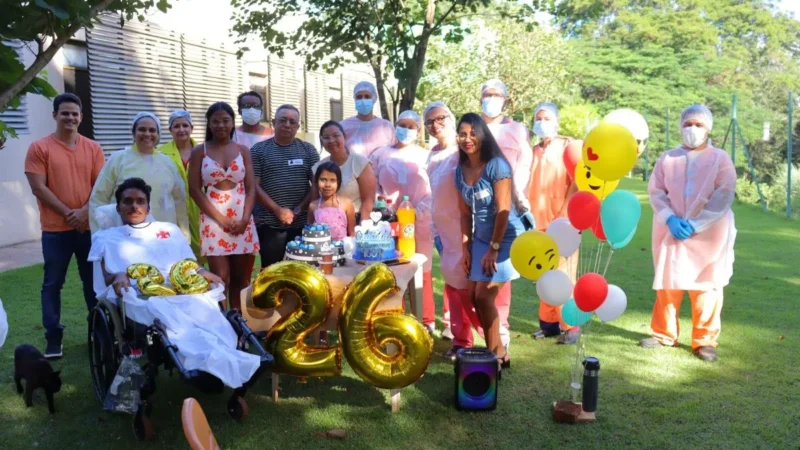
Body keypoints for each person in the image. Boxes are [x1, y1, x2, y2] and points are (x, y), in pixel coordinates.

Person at [88, 178, 262, 389]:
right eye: (128, 201)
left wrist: (203, 271)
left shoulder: (168, 230)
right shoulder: (106, 237)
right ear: (118, 207)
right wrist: (117, 276)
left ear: (148, 206)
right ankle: (202, 359)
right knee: (167, 315)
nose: (134, 206)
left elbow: (188, 262)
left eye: (140, 201)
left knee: (206, 310)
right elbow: (106, 276)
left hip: (180, 289)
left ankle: (217, 359)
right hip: (139, 294)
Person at [641, 104, 736, 362]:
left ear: (708, 129)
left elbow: (723, 195)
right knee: (668, 283)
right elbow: (657, 192)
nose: (692, 129)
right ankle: (663, 334)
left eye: (699, 125)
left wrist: (697, 224)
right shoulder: (667, 158)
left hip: (710, 234)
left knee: (706, 285)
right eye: (688, 124)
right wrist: (669, 218)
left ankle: (705, 341)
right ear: (681, 127)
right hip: (672, 230)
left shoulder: (720, 159)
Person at [24, 93, 106, 358]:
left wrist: (83, 213)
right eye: (65, 113)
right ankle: (53, 337)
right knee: (52, 284)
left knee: (92, 284)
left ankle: (98, 333)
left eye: (75, 113)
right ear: (55, 115)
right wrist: (69, 213)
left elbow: (100, 187)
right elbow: (38, 187)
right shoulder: (40, 148)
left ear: (81, 117)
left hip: (88, 229)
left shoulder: (93, 148)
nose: (70, 117)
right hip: (55, 231)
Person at [456, 113, 526, 369]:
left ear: (483, 134)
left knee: (484, 296)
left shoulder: (497, 165)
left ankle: (494, 355)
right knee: (474, 297)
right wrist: (466, 248)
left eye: (473, 133)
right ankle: (498, 353)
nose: (467, 139)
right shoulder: (459, 170)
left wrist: (494, 250)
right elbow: (465, 214)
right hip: (481, 239)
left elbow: (504, 210)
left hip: (506, 236)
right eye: (462, 134)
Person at [188, 102, 260, 310]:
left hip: (242, 218)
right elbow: (194, 190)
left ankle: (240, 326)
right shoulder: (199, 151)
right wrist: (221, 219)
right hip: (214, 220)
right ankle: (222, 326)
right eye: (216, 121)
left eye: (225, 120)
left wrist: (245, 219)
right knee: (221, 278)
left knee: (240, 279)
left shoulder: (243, 150)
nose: (221, 125)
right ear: (209, 124)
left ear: (232, 123)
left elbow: (251, 188)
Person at [480, 78, 533, 349]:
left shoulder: (517, 130)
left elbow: (524, 164)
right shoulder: (473, 128)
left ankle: (502, 330)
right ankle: (478, 331)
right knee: (479, 270)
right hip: (479, 207)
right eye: (486, 94)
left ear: (505, 99)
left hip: (507, 205)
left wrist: (513, 192)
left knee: (501, 269)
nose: (491, 98)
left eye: (496, 94)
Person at [371, 110, 435, 333]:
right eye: (402, 124)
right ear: (394, 126)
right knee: (392, 268)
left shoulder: (426, 156)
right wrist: (384, 208)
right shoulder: (380, 154)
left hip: (420, 220)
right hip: (388, 222)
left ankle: (425, 320)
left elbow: (432, 190)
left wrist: (416, 212)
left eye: (411, 126)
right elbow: (373, 186)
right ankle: (394, 314)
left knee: (422, 269)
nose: (406, 130)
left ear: (418, 131)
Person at [424, 101, 479, 356]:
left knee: (467, 290)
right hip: (442, 234)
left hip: (464, 232)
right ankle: (460, 341)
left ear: (452, 118)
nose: (435, 125)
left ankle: (494, 341)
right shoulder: (432, 154)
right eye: (429, 122)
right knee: (453, 290)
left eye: (440, 119)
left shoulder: (462, 151)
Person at [527, 102, 581, 344]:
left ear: (557, 121)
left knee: (564, 276)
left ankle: (571, 326)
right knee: (544, 275)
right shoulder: (533, 151)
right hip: (537, 222)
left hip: (563, 224)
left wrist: (564, 215)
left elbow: (577, 183)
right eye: (538, 118)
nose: (542, 122)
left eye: (547, 118)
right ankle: (549, 324)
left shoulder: (567, 147)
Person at [89, 112, 189, 240]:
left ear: (158, 135)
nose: (147, 134)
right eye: (142, 129)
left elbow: (179, 201)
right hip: (124, 236)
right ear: (134, 133)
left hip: (163, 237)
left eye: (152, 130)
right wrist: (100, 237)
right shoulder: (118, 160)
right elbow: (98, 199)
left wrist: (184, 236)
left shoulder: (168, 163)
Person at [251, 104, 320, 268]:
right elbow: (253, 187)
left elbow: (317, 184)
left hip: (301, 223)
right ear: (273, 122)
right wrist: (277, 210)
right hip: (269, 224)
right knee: (271, 271)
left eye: (292, 122)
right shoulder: (258, 150)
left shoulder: (308, 150)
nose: (287, 125)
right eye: (283, 120)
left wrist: (298, 209)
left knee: (302, 271)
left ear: (298, 126)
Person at [159, 110, 203, 262]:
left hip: (201, 207)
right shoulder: (160, 153)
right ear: (170, 130)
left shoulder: (205, 151)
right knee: (179, 252)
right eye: (176, 126)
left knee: (206, 251)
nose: (181, 129)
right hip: (173, 209)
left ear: (192, 128)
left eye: (185, 125)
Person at [312, 121, 377, 221]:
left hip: (356, 220)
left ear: (344, 136)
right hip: (325, 224)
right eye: (326, 137)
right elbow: (315, 201)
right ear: (321, 141)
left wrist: (362, 228)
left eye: (336, 135)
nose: (331, 140)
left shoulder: (360, 163)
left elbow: (368, 199)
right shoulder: (318, 167)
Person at [340, 81, 395, 158]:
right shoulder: (343, 127)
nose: (363, 100)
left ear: (374, 99)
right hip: (353, 170)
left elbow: (394, 154)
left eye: (367, 96)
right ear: (355, 99)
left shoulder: (386, 127)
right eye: (359, 97)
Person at [308, 162, 356, 240]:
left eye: (332, 180)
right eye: (323, 180)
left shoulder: (347, 204)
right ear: (316, 182)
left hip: (342, 250)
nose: (327, 185)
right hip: (320, 251)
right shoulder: (313, 206)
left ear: (338, 183)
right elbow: (310, 233)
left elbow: (352, 233)